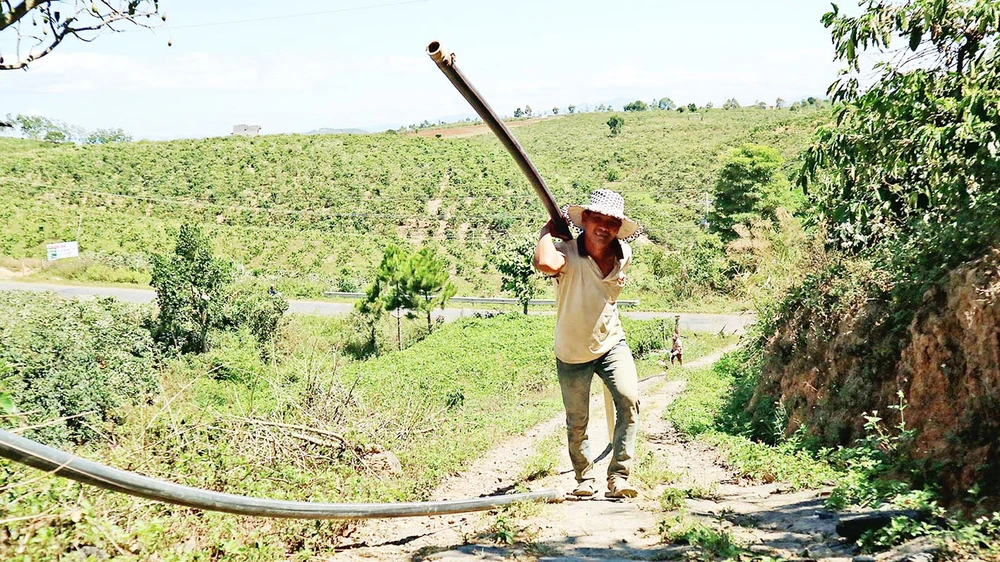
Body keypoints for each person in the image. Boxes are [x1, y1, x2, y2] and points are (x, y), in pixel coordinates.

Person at [533, 189, 642, 499]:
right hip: (571, 351)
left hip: (611, 342)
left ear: (618, 228)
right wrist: (545, 231)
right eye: (598, 220)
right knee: (577, 419)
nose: (604, 228)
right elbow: (544, 263)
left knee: (629, 398)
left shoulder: (624, 255)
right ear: (586, 221)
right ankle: (585, 478)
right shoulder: (565, 253)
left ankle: (619, 476)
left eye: (611, 222)